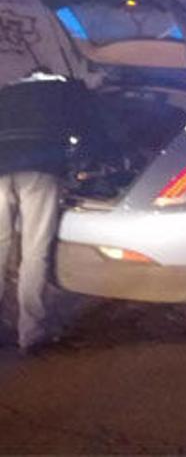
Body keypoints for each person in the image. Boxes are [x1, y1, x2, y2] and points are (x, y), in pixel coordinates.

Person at [0, 67, 95, 353]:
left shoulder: (8, 90)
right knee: (34, 251)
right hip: (38, 171)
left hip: (0, 167)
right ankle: (31, 334)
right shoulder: (65, 91)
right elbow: (89, 132)